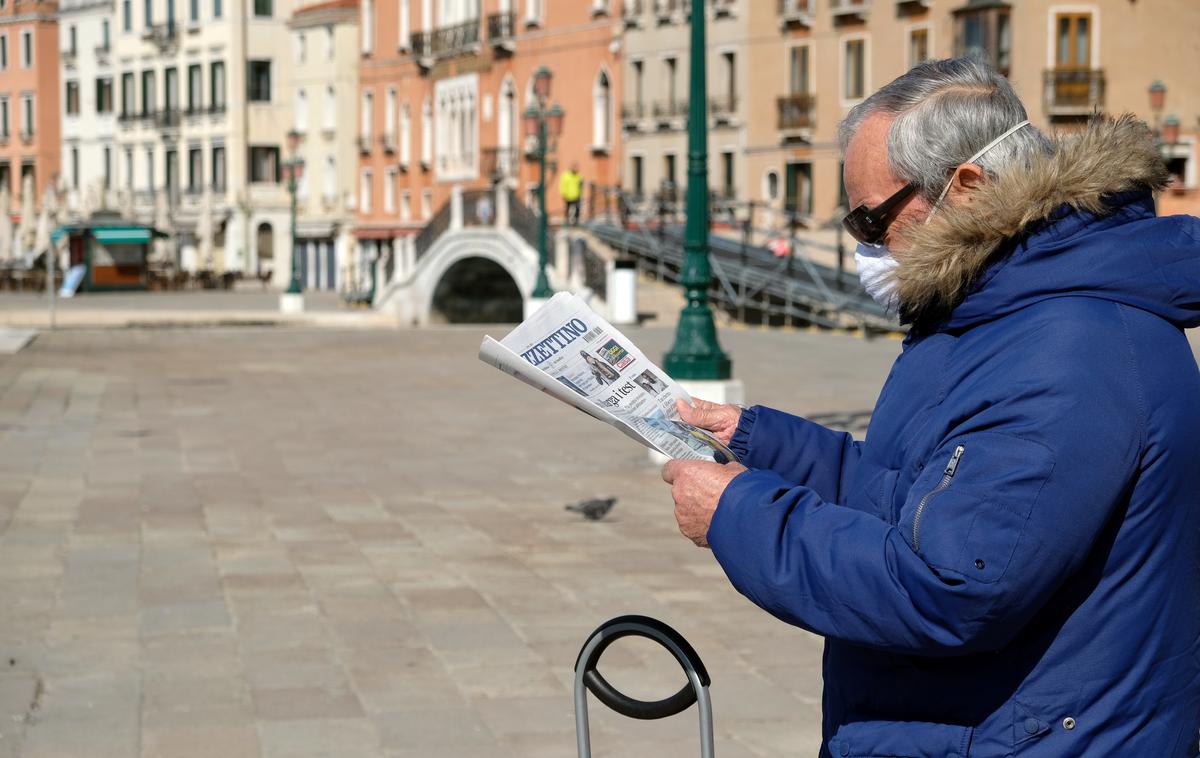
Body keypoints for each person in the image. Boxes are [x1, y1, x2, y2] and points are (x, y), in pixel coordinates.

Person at [660, 58, 1200, 757]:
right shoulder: (993, 313)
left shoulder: (1068, 348)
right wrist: (763, 443)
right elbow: (928, 493)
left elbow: (952, 587)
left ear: (967, 189)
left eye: (871, 218)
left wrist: (738, 515)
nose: (866, 246)